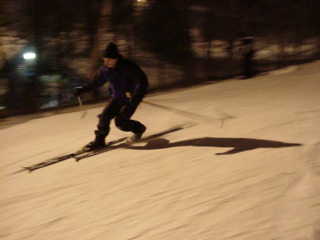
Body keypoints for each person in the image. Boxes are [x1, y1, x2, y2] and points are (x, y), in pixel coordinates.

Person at [75, 42, 148, 150]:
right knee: (104, 116)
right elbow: (96, 82)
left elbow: (142, 81)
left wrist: (136, 96)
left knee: (121, 122)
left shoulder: (128, 67)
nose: (107, 62)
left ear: (116, 58)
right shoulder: (105, 70)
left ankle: (139, 129)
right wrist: (83, 89)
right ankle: (99, 141)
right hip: (117, 98)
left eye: (109, 59)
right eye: (105, 59)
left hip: (130, 99)